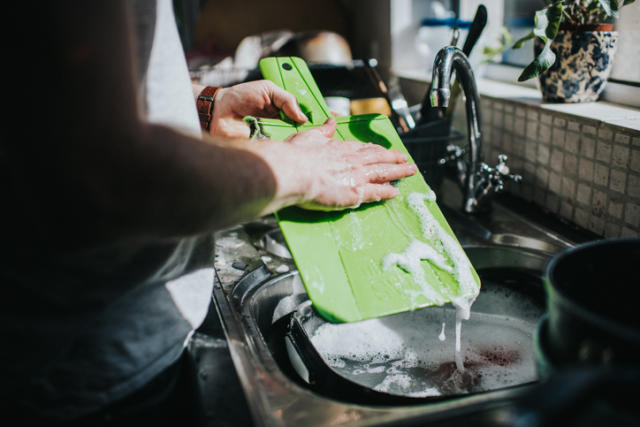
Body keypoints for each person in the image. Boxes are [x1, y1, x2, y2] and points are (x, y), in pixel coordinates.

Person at [0, 1, 416, 425]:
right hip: (79, 377)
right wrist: (302, 171)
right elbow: (101, 173)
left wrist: (203, 106)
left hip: (110, 353)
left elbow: (58, 103)